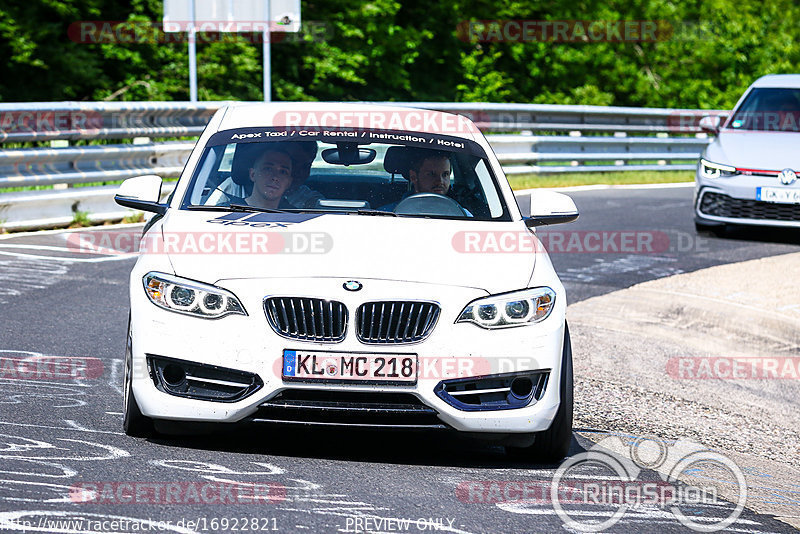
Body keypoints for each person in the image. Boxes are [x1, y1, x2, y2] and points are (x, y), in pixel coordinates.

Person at [381, 149, 471, 214]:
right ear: (413, 176)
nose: (440, 181)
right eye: (431, 174)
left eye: (445, 174)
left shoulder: (464, 215)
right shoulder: (387, 214)